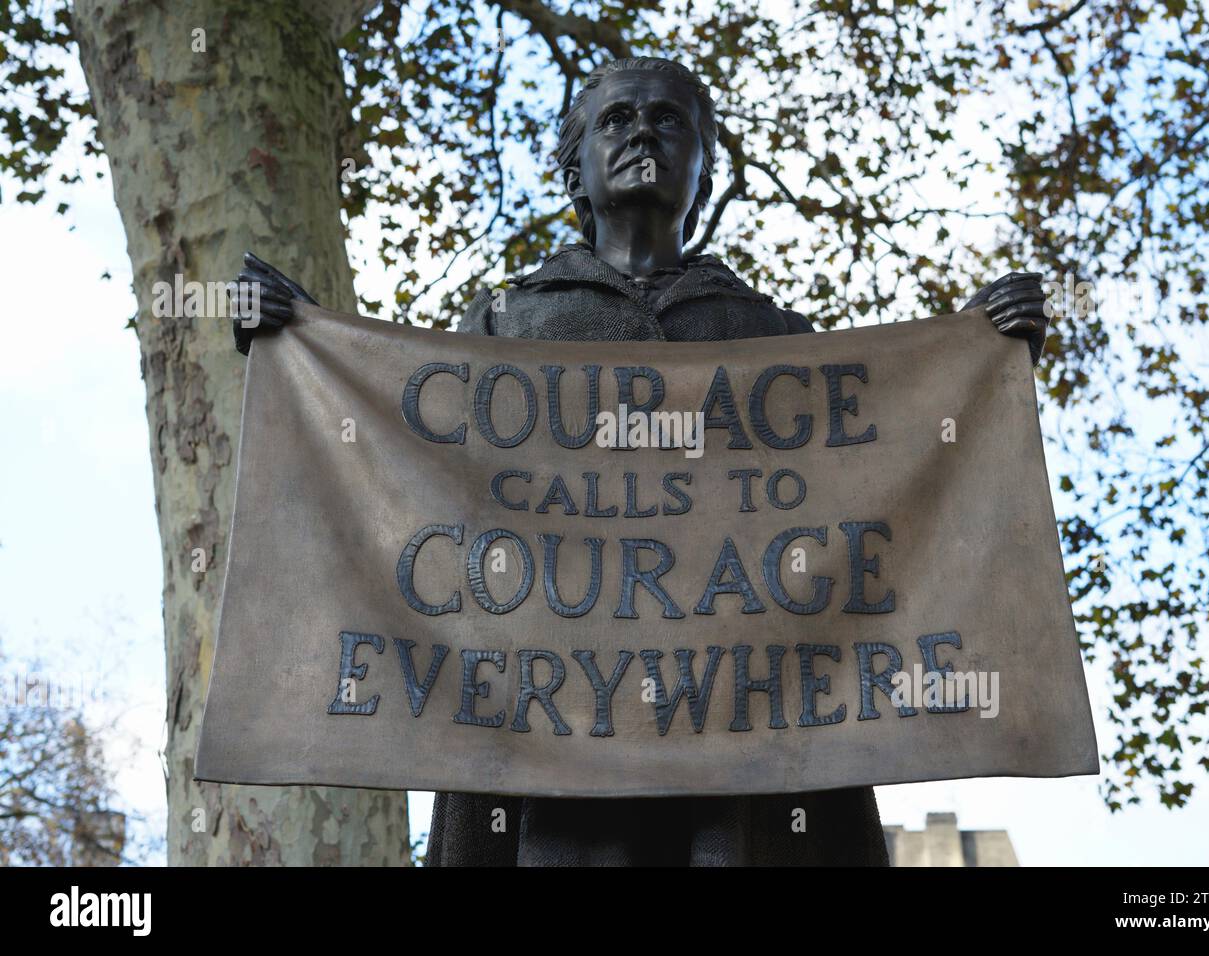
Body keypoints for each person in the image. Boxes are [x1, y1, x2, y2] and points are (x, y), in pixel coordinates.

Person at [232, 56, 1048, 866]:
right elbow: (395, 464)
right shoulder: (503, 325)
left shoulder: (776, 337)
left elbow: (888, 458)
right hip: (546, 728)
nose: (643, 133)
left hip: (744, 734)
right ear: (575, 168)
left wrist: (974, 354)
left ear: (703, 169)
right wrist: (293, 343)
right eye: (617, 120)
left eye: (669, 119)